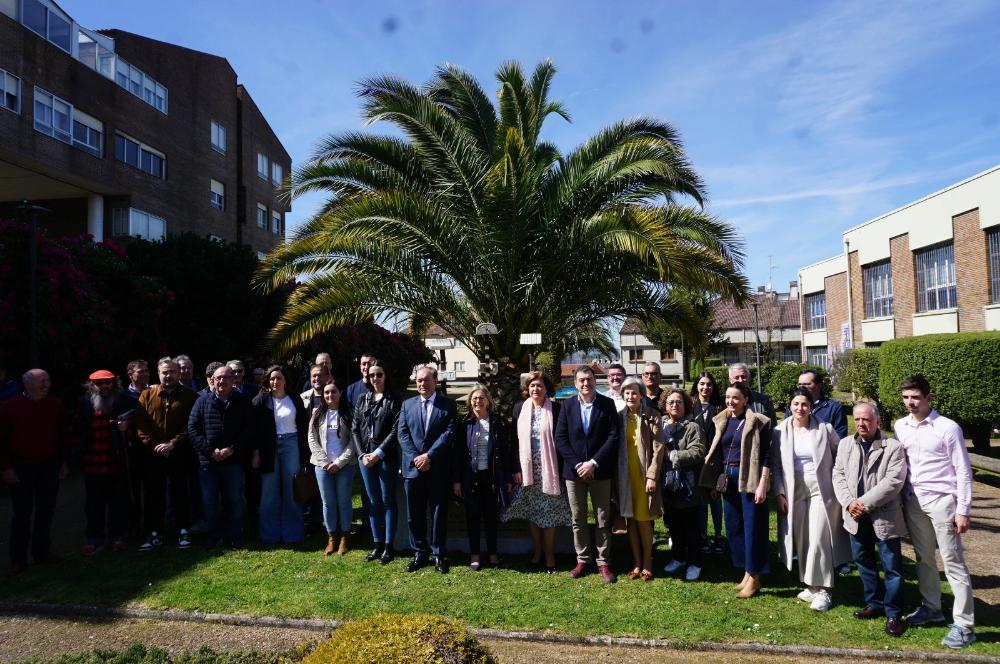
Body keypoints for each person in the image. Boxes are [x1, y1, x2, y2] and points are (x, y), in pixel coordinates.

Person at [894, 375, 975, 649]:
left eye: (915, 397)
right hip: (913, 501)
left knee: (953, 562)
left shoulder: (947, 428)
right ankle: (932, 608)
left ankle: (964, 625)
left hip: (942, 501)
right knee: (924, 559)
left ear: (929, 398)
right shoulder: (901, 426)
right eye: (906, 398)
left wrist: (963, 510)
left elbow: (963, 470)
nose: (910, 403)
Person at [831, 401, 907, 637]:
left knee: (892, 567)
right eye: (857, 419)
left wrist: (862, 504)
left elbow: (893, 482)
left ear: (878, 421)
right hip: (855, 516)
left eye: (866, 419)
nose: (861, 423)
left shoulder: (893, 447)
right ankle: (874, 603)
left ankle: (894, 613)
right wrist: (849, 503)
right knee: (863, 562)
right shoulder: (845, 444)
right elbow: (838, 475)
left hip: (883, 517)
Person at [771, 388, 850, 612]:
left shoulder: (825, 429)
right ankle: (812, 585)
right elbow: (775, 465)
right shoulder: (779, 431)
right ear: (790, 406)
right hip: (793, 489)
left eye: (804, 404)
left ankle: (825, 590)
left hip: (821, 490)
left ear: (811, 406)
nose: (800, 408)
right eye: (796, 404)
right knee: (802, 539)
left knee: (819, 538)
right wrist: (778, 492)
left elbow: (841, 453)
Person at [699, 382, 772, 598]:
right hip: (727, 477)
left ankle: (755, 577)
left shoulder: (759, 421)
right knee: (734, 527)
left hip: (749, 477)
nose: (730, 401)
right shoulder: (722, 419)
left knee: (753, 528)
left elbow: (767, 455)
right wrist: (715, 482)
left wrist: (762, 483)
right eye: (728, 397)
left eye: (736, 398)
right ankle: (746, 571)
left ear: (746, 400)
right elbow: (718, 452)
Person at [555, 366, 621, 583]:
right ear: (575, 383)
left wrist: (593, 463)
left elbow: (613, 436)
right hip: (574, 474)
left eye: (589, 379)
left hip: (600, 471)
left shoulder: (607, 404)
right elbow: (560, 438)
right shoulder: (567, 406)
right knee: (578, 518)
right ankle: (582, 559)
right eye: (582, 380)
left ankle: (603, 562)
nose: (586, 383)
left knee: (603, 518)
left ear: (595, 381)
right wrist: (578, 465)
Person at [0, 369, 68, 574]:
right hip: (21, 468)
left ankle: (42, 553)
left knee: (46, 510)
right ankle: (18, 560)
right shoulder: (9, 407)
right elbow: (1, 440)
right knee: (22, 513)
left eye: (48, 380)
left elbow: (62, 435)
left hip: (49, 466)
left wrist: (63, 462)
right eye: (42, 381)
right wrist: (5, 468)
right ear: (27, 384)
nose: (46, 384)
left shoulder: (55, 405)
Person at [504, 371, 571, 573]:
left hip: (549, 468)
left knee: (549, 511)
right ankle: (537, 552)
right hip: (527, 468)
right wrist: (516, 468)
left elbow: (562, 440)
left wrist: (562, 469)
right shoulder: (519, 409)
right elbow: (513, 441)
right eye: (532, 385)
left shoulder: (556, 409)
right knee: (532, 511)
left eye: (540, 385)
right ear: (527, 389)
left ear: (546, 389)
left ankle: (550, 555)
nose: (536, 389)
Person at [397, 365, 457, 573]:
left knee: (438, 513)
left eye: (426, 380)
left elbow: (449, 433)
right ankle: (420, 553)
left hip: (438, 468)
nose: (422, 383)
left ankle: (438, 553)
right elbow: (402, 434)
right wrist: (417, 458)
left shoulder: (448, 405)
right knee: (414, 514)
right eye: (419, 380)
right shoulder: (407, 405)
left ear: (435, 381)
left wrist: (428, 456)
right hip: (413, 469)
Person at [188, 364, 255, 549]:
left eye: (226, 377)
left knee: (234, 500)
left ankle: (236, 537)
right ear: (213, 380)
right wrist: (210, 451)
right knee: (210, 501)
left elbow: (249, 429)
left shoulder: (242, 401)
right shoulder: (202, 401)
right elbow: (192, 429)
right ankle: (215, 537)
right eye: (218, 378)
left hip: (233, 461)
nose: (222, 381)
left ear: (233, 380)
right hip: (208, 462)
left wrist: (232, 449)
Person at [135, 357, 198, 551]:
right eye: (164, 372)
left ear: (178, 373)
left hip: (180, 453)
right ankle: (155, 532)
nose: (168, 375)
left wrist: (173, 444)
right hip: (154, 455)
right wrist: (155, 445)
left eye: (172, 372)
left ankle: (183, 530)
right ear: (158, 373)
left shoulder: (190, 396)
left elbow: (192, 425)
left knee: (181, 492)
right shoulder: (146, 395)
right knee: (154, 494)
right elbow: (141, 425)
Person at [75, 370, 134, 555]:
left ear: (114, 384)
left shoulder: (123, 400)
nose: (104, 386)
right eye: (99, 383)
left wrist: (127, 426)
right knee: (94, 504)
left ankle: (117, 537)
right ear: (92, 385)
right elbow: (78, 430)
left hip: (115, 460)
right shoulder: (84, 402)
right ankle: (94, 539)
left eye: (107, 383)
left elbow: (136, 422)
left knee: (117, 501)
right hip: (92, 461)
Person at [453, 386, 511, 571]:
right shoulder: (464, 423)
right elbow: (458, 454)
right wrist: (457, 480)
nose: (477, 401)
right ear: (470, 402)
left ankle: (493, 553)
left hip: (492, 478)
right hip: (470, 478)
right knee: (472, 517)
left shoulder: (499, 423)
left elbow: (506, 452)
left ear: (488, 401)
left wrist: (507, 478)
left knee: (491, 517)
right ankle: (475, 555)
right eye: (474, 398)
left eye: (481, 398)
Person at [352, 359, 402, 564]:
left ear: (385, 376)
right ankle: (377, 544)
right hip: (365, 458)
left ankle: (389, 546)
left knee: (387, 500)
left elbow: (396, 430)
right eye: (371, 375)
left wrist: (378, 453)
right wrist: (362, 454)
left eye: (379, 374)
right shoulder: (362, 399)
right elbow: (355, 428)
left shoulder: (394, 399)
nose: (375, 378)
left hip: (385, 456)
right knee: (372, 501)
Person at [252, 365, 309, 544]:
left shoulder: (294, 399)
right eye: (272, 379)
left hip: (291, 443)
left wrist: (304, 452)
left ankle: (293, 534)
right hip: (269, 447)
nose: (275, 381)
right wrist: (256, 452)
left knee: (292, 489)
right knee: (269, 491)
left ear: (285, 381)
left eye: (278, 378)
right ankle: (269, 535)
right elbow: (254, 429)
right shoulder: (261, 400)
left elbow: (303, 426)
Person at [616, 378, 665, 581]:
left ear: (642, 394)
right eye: (627, 392)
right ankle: (636, 562)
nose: (630, 396)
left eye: (634, 392)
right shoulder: (619, 417)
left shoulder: (652, 416)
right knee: (631, 521)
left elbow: (658, 448)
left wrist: (652, 476)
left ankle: (647, 562)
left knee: (644, 520)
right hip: (624, 476)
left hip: (644, 475)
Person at [660, 389, 706, 580]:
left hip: (687, 485)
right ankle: (678, 557)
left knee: (691, 527)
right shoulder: (661, 425)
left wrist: (673, 455)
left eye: (679, 402)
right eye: (671, 402)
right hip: (667, 483)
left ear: (685, 405)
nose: (675, 405)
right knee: (674, 525)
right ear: (665, 405)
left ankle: (695, 562)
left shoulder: (692, 427)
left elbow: (698, 451)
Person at [309, 379, 356, 555]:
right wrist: (325, 462)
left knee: (343, 501)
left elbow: (353, 441)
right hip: (322, 466)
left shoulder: (349, 413)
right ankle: (331, 537)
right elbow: (312, 438)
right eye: (327, 392)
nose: (330, 395)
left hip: (345, 465)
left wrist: (339, 462)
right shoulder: (317, 413)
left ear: (340, 393)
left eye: (333, 391)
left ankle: (344, 536)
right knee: (328, 502)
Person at [691, 371, 724, 555]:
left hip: (715, 462)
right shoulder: (690, 406)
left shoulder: (719, 408)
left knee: (715, 500)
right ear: (697, 386)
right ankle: (703, 536)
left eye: (709, 384)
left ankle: (718, 535)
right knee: (701, 502)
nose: (705, 387)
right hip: (696, 462)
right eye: (702, 384)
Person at [796, 370, 847, 438]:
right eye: (799, 384)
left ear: (819, 385)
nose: (802, 387)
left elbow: (840, 437)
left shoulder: (834, 408)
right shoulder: (794, 407)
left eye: (807, 384)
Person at [727, 363, 776, 428]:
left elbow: (773, 427)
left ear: (749, 378)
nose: (740, 380)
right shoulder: (725, 402)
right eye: (737, 377)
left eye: (743, 377)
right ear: (730, 380)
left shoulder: (764, 400)